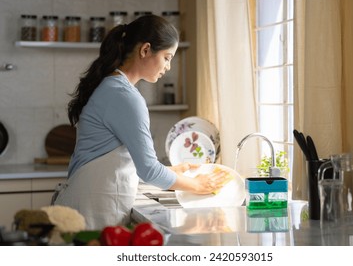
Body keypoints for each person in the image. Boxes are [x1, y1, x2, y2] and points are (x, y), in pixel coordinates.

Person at [53, 14, 229, 230]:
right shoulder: (125, 96)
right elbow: (150, 171)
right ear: (145, 50)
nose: (168, 67)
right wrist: (198, 185)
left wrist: (174, 171)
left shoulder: (112, 87)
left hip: (87, 205)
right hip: (92, 213)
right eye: (167, 57)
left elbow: (126, 163)